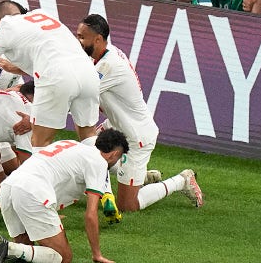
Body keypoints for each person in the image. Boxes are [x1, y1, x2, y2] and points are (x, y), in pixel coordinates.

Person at [75, 14, 204, 213]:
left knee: (128, 205)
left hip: (135, 136)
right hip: (116, 127)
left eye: (82, 37)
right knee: (87, 156)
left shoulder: (108, 65)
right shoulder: (104, 55)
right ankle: (140, 176)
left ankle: (181, 180)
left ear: (98, 39)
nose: (78, 41)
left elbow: (77, 93)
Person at [0, 129, 129, 263]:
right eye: (118, 157)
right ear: (114, 154)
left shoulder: (70, 144)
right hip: (33, 192)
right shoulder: (98, 162)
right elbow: (91, 214)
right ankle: (5, 247)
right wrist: (97, 254)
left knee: (24, 249)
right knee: (64, 257)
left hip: (10, 187)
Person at [0, 8, 100, 149]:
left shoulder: (5, 27)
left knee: (40, 143)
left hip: (57, 76)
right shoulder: (42, 14)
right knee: (89, 137)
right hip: (88, 72)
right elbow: (53, 56)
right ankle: (99, 170)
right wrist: (14, 68)